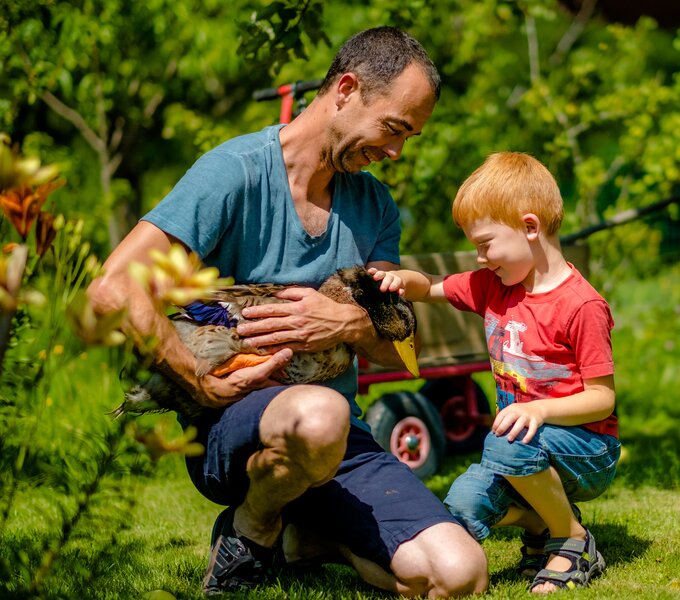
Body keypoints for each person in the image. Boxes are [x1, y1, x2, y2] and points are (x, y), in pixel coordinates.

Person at [88, 26, 487, 597]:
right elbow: (112, 287)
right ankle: (255, 525)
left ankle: (309, 539)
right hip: (237, 427)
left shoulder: (374, 204)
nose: (397, 152)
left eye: (409, 138)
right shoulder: (235, 172)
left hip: (338, 436)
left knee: (460, 575)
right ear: (346, 89)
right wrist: (197, 382)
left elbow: (401, 347)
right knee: (319, 415)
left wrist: (346, 323)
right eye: (394, 129)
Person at [369, 152, 620, 594]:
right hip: (519, 445)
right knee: (460, 507)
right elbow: (430, 287)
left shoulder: (582, 306)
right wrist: (405, 281)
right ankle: (546, 521)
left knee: (507, 442)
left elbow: (603, 399)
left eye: (486, 244)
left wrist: (539, 411)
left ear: (529, 227)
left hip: (586, 446)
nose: (480, 258)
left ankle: (573, 542)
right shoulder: (493, 285)